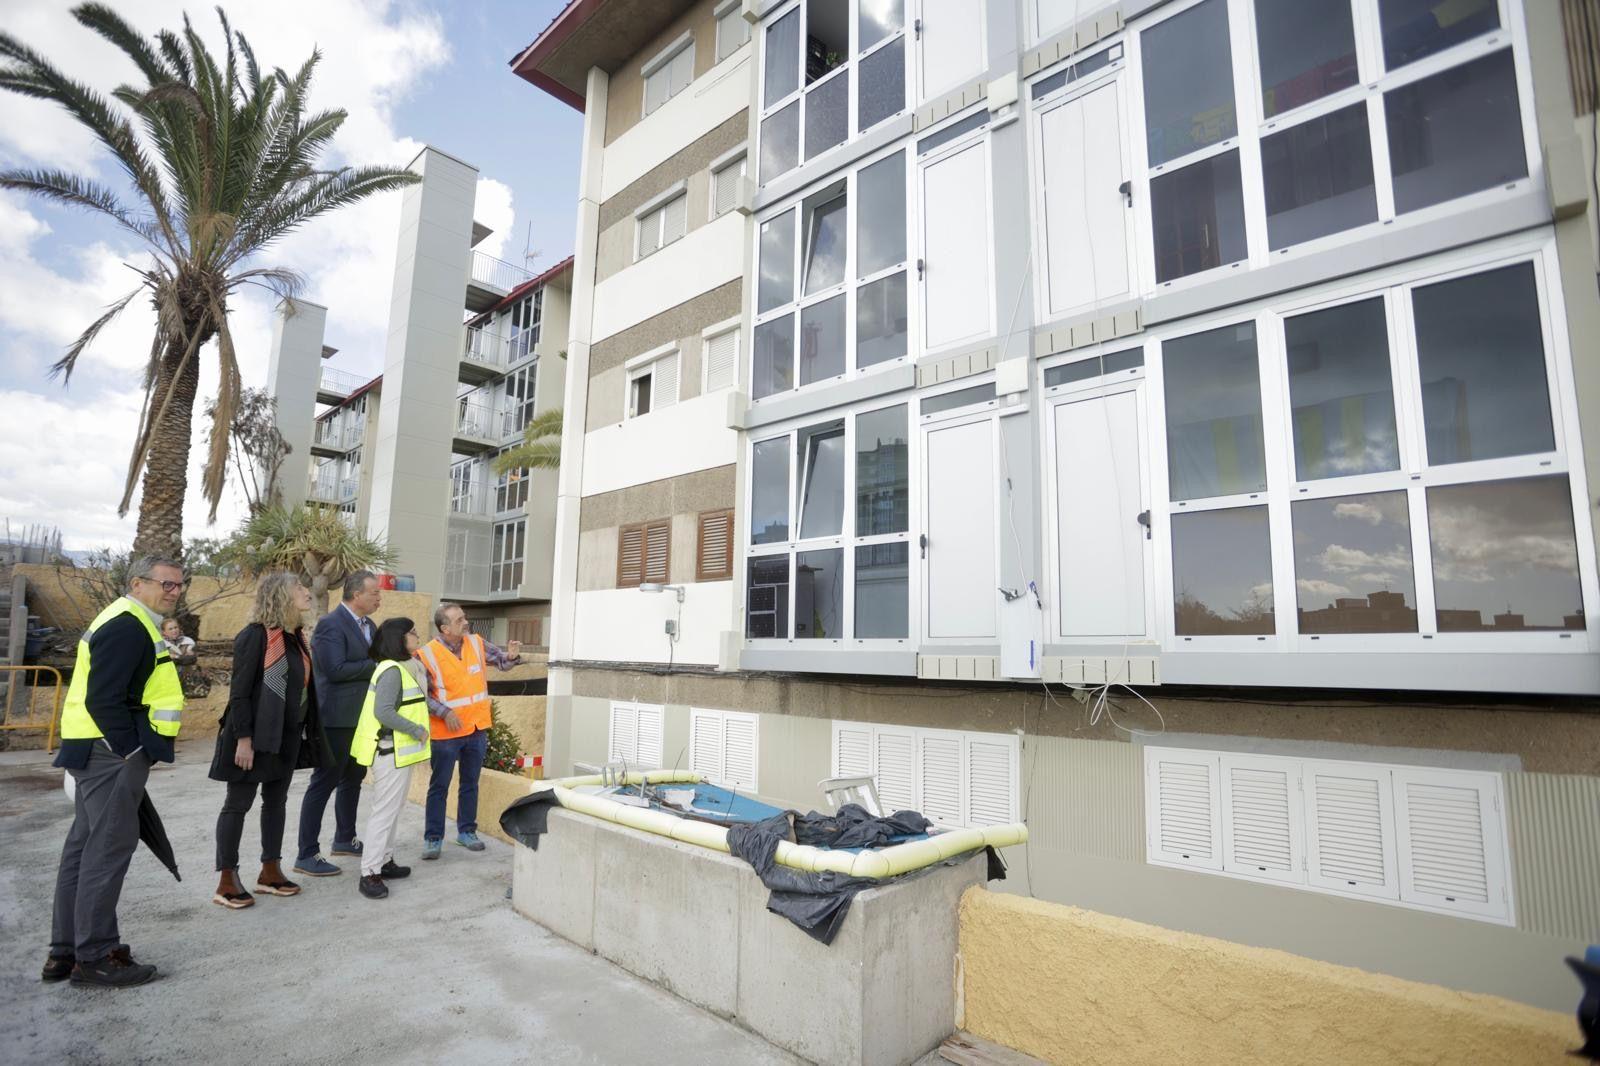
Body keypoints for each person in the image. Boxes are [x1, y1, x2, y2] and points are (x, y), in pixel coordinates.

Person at [45, 556, 185, 988]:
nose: (174, 591)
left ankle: (66, 951)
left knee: (85, 848)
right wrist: (130, 749)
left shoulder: (131, 620)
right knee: (106, 851)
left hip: (96, 750)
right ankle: (95, 955)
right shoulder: (127, 625)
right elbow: (103, 699)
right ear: (138, 583)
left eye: (180, 585)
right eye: (167, 584)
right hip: (110, 755)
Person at [210, 573, 330, 909]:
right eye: (299, 588)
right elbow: (240, 693)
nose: (307, 592)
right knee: (238, 804)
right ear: (280, 596)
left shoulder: (294, 638)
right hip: (253, 737)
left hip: (286, 736)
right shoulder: (254, 636)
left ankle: (270, 871)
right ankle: (226, 879)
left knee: (276, 803)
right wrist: (244, 740)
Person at [417, 603, 523, 859]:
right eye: (459, 620)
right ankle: (433, 838)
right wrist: (445, 712)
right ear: (445, 628)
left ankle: (466, 832)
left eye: (464, 617)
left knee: (470, 784)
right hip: (446, 733)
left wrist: (510, 656)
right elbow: (422, 695)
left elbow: (501, 661)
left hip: (476, 728)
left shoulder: (475, 642)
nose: (465, 622)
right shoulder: (426, 654)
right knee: (439, 787)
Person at [296, 570, 381, 877]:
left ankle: (344, 838)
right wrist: (378, 666)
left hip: (361, 720)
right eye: (374, 593)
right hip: (335, 719)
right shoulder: (331, 624)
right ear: (356, 594)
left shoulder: (369, 625)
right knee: (323, 783)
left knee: (352, 779)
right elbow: (334, 668)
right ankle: (306, 853)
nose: (378, 598)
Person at [350, 618, 431, 899]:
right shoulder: (393, 671)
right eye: (412, 632)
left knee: (393, 810)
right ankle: (369, 872)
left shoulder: (404, 667)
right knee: (384, 812)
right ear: (399, 638)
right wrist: (416, 730)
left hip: (398, 753)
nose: (417, 635)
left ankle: (384, 861)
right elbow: (383, 712)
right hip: (389, 752)